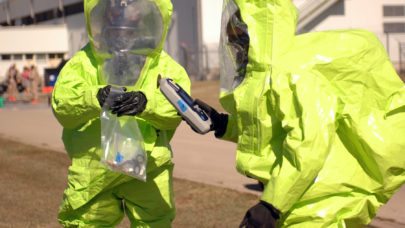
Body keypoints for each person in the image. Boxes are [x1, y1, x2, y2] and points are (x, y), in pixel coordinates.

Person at [189, 0, 405, 227]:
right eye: (231, 36)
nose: (234, 43)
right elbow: (269, 129)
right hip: (295, 200)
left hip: (317, 205)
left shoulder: (293, 74)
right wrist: (222, 124)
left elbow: (309, 145)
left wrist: (271, 206)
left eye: (239, 35)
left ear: (258, 30)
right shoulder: (268, 76)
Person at [51, 0, 190, 226]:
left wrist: (146, 104)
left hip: (148, 167)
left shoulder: (162, 65)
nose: (123, 13)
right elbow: (62, 107)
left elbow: (179, 109)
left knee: (154, 223)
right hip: (95, 171)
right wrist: (94, 97)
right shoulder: (84, 62)